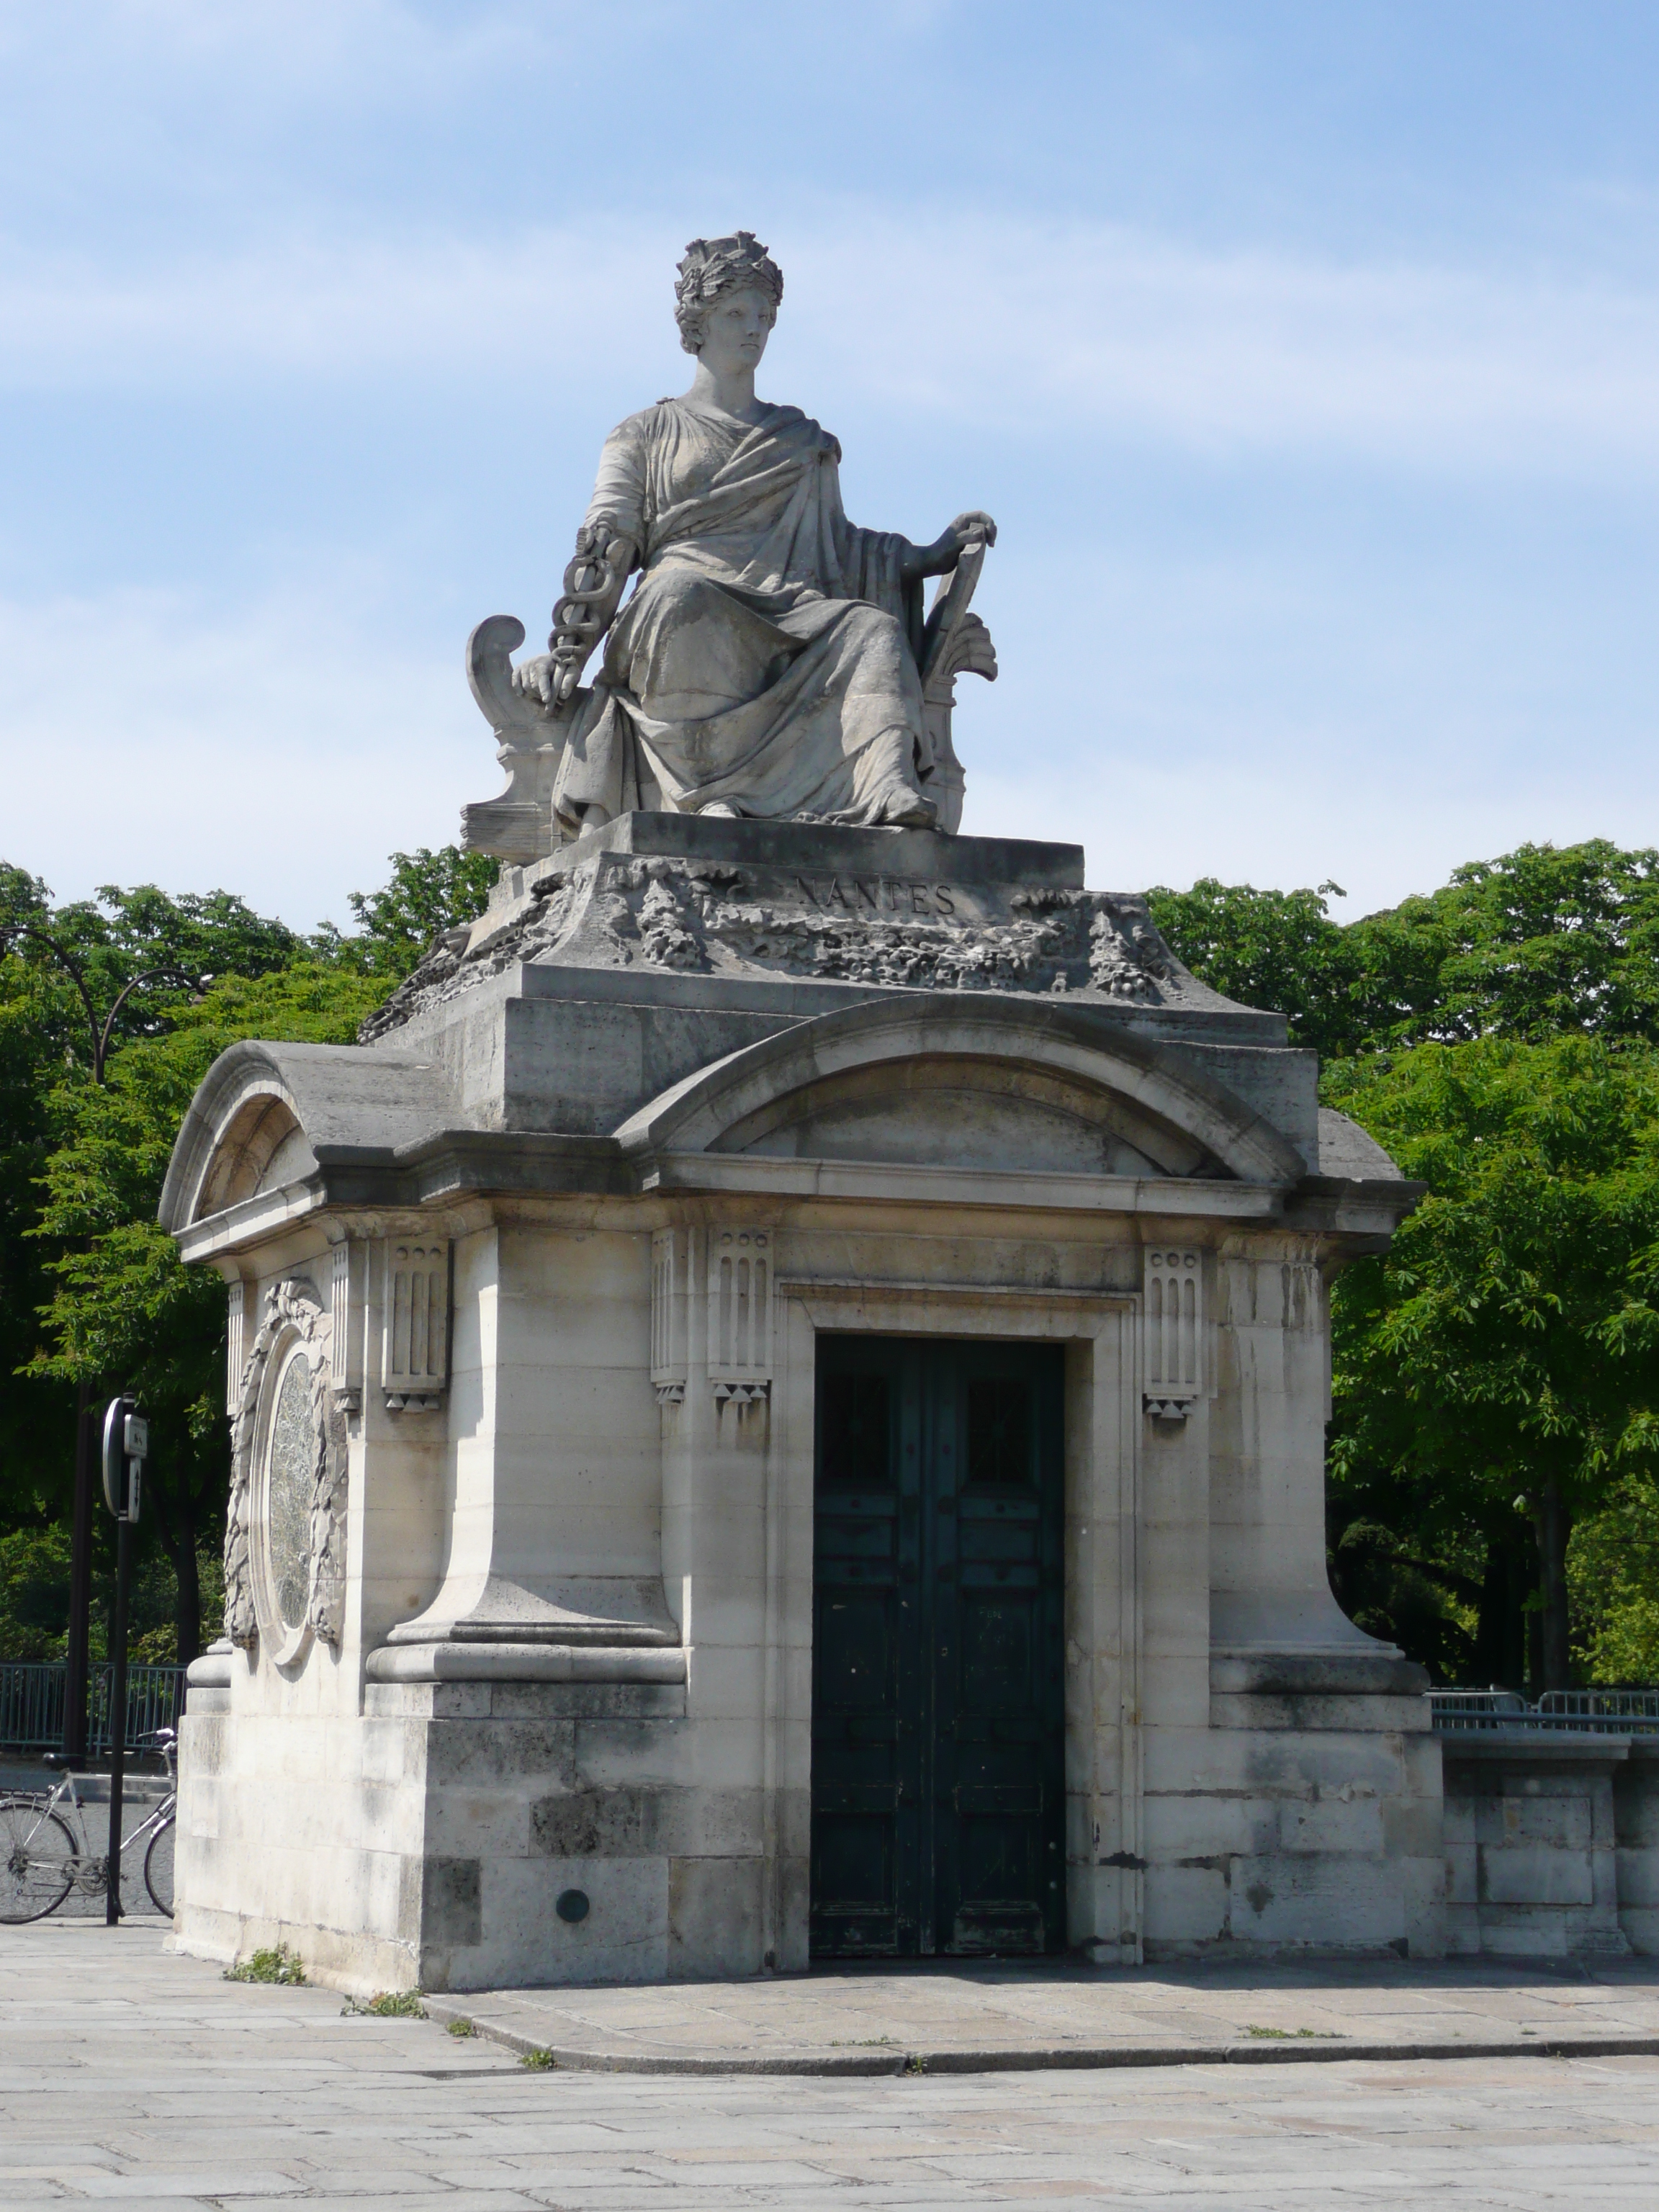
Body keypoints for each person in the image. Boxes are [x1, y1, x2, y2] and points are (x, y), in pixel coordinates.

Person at [516, 232, 995, 836]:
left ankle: (884, 788)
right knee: (680, 596)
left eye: (764, 316)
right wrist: (567, 654)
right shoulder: (643, 433)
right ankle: (704, 795)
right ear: (697, 323)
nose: (754, 330)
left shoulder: (800, 439)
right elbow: (607, 547)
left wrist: (927, 557)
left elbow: (841, 544)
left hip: (790, 606)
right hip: (686, 599)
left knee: (869, 628)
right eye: (735, 313)